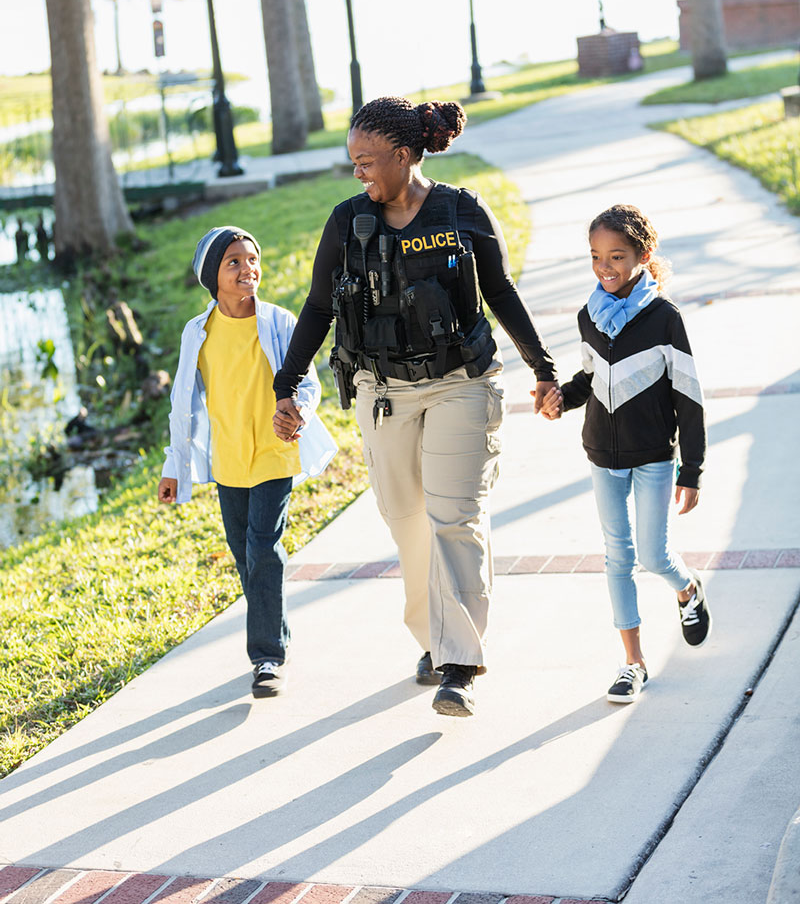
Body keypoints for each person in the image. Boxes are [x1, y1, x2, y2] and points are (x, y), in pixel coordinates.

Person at [272, 96, 557, 717]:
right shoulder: (348, 222)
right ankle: (435, 638)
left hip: (461, 382)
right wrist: (285, 384)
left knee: (454, 517)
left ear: (403, 157)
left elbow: (500, 291)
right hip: (381, 393)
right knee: (407, 522)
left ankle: (459, 664)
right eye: (353, 162)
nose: (358, 173)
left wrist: (543, 368)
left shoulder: (461, 211)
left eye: (367, 161)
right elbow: (320, 307)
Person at [541, 203, 711, 703]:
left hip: (655, 456)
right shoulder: (588, 317)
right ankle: (632, 663)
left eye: (616, 256)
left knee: (654, 556)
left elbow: (689, 396)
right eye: (596, 257)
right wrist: (561, 401)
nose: (605, 268)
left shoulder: (664, 319)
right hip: (602, 455)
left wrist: (692, 470)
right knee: (618, 557)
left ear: (642, 255)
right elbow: (591, 378)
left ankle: (687, 589)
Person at [158, 226, 337, 698]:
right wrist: (172, 466)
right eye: (233, 262)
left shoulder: (278, 322)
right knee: (245, 554)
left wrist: (297, 412)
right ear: (211, 276)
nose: (247, 269)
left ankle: (266, 657)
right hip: (228, 460)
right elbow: (182, 405)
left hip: (274, 454)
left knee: (263, 548)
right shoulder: (198, 334)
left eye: (252, 259)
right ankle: (274, 632)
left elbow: (310, 385)